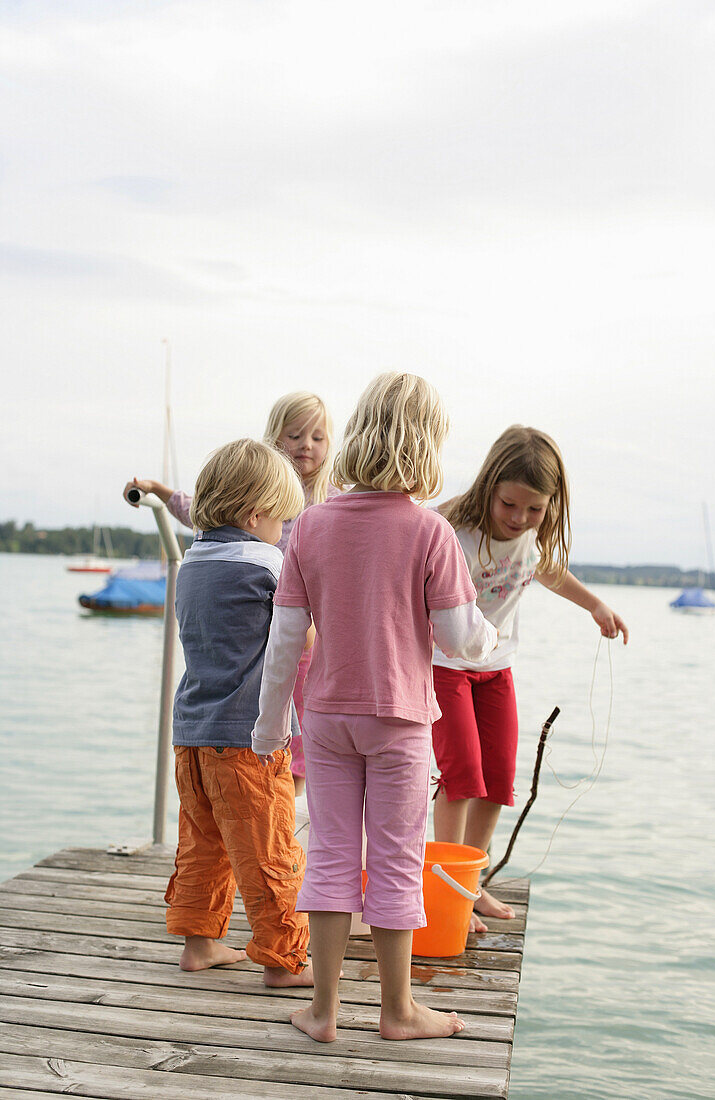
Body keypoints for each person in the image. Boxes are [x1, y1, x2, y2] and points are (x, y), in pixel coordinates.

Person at [251, 373, 497, 1042]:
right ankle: (397, 1011)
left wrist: (271, 723)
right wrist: (489, 633)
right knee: (393, 858)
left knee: (330, 854)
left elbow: (284, 640)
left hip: (327, 717)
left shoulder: (310, 527)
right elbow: (457, 640)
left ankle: (323, 1011)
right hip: (398, 722)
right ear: (427, 445)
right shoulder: (429, 533)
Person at [431, 425, 629, 929]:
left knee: (496, 779)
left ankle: (472, 886)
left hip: (495, 669)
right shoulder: (453, 529)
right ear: (489, 488)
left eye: (534, 510)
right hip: (443, 664)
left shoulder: (533, 538)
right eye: (509, 505)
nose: (520, 519)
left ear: (550, 506)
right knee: (461, 776)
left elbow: (551, 571)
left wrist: (596, 605)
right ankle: (446, 889)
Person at [123, 391, 339, 795]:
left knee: (304, 731)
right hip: (257, 633)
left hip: (309, 637)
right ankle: (273, 808)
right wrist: (161, 491)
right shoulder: (251, 495)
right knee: (268, 727)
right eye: (294, 435)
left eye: (318, 437)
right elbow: (207, 511)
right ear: (275, 440)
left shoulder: (334, 500)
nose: (307, 445)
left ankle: (287, 804)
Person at [163, 437, 314, 987]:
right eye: (281, 520)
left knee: (203, 842)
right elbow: (303, 636)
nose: (283, 532)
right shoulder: (266, 564)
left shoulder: (194, 561)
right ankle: (284, 959)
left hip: (191, 733)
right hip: (248, 738)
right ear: (255, 515)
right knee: (269, 848)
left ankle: (200, 943)